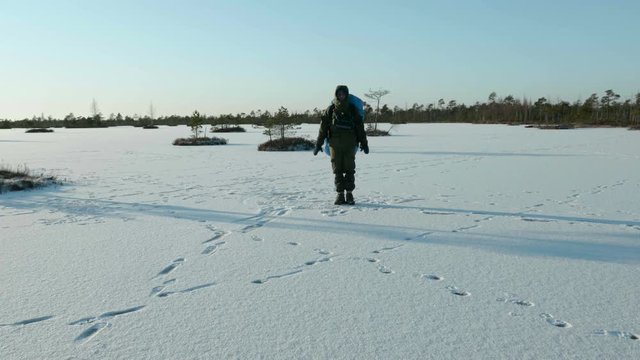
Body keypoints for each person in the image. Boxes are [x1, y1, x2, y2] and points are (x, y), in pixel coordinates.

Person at [314, 85, 369, 205]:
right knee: (337, 170)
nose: (341, 96)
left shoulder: (353, 109)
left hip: (350, 144)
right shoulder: (330, 109)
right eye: (339, 94)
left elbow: (360, 128)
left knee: (350, 169)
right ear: (336, 95)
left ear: (347, 94)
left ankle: (349, 194)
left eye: (343, 94)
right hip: (334, 145)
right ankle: (340, 195)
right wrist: (318, 144)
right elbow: (323, 129)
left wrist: (364, 144)